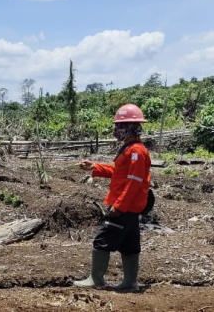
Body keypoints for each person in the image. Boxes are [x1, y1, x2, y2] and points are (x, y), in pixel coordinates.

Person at [74, 103, 151, 292]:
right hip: (131, 209)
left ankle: (96, 279)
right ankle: (130, 283)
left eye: (120, 126)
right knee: (129, 245)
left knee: (102, 240)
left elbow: (133, 182)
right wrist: (95, 167)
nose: (116, 130)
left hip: (125, 208)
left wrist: (118, 206)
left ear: (129, 128)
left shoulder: (136, 152)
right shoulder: (130, 149)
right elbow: (119, 172)